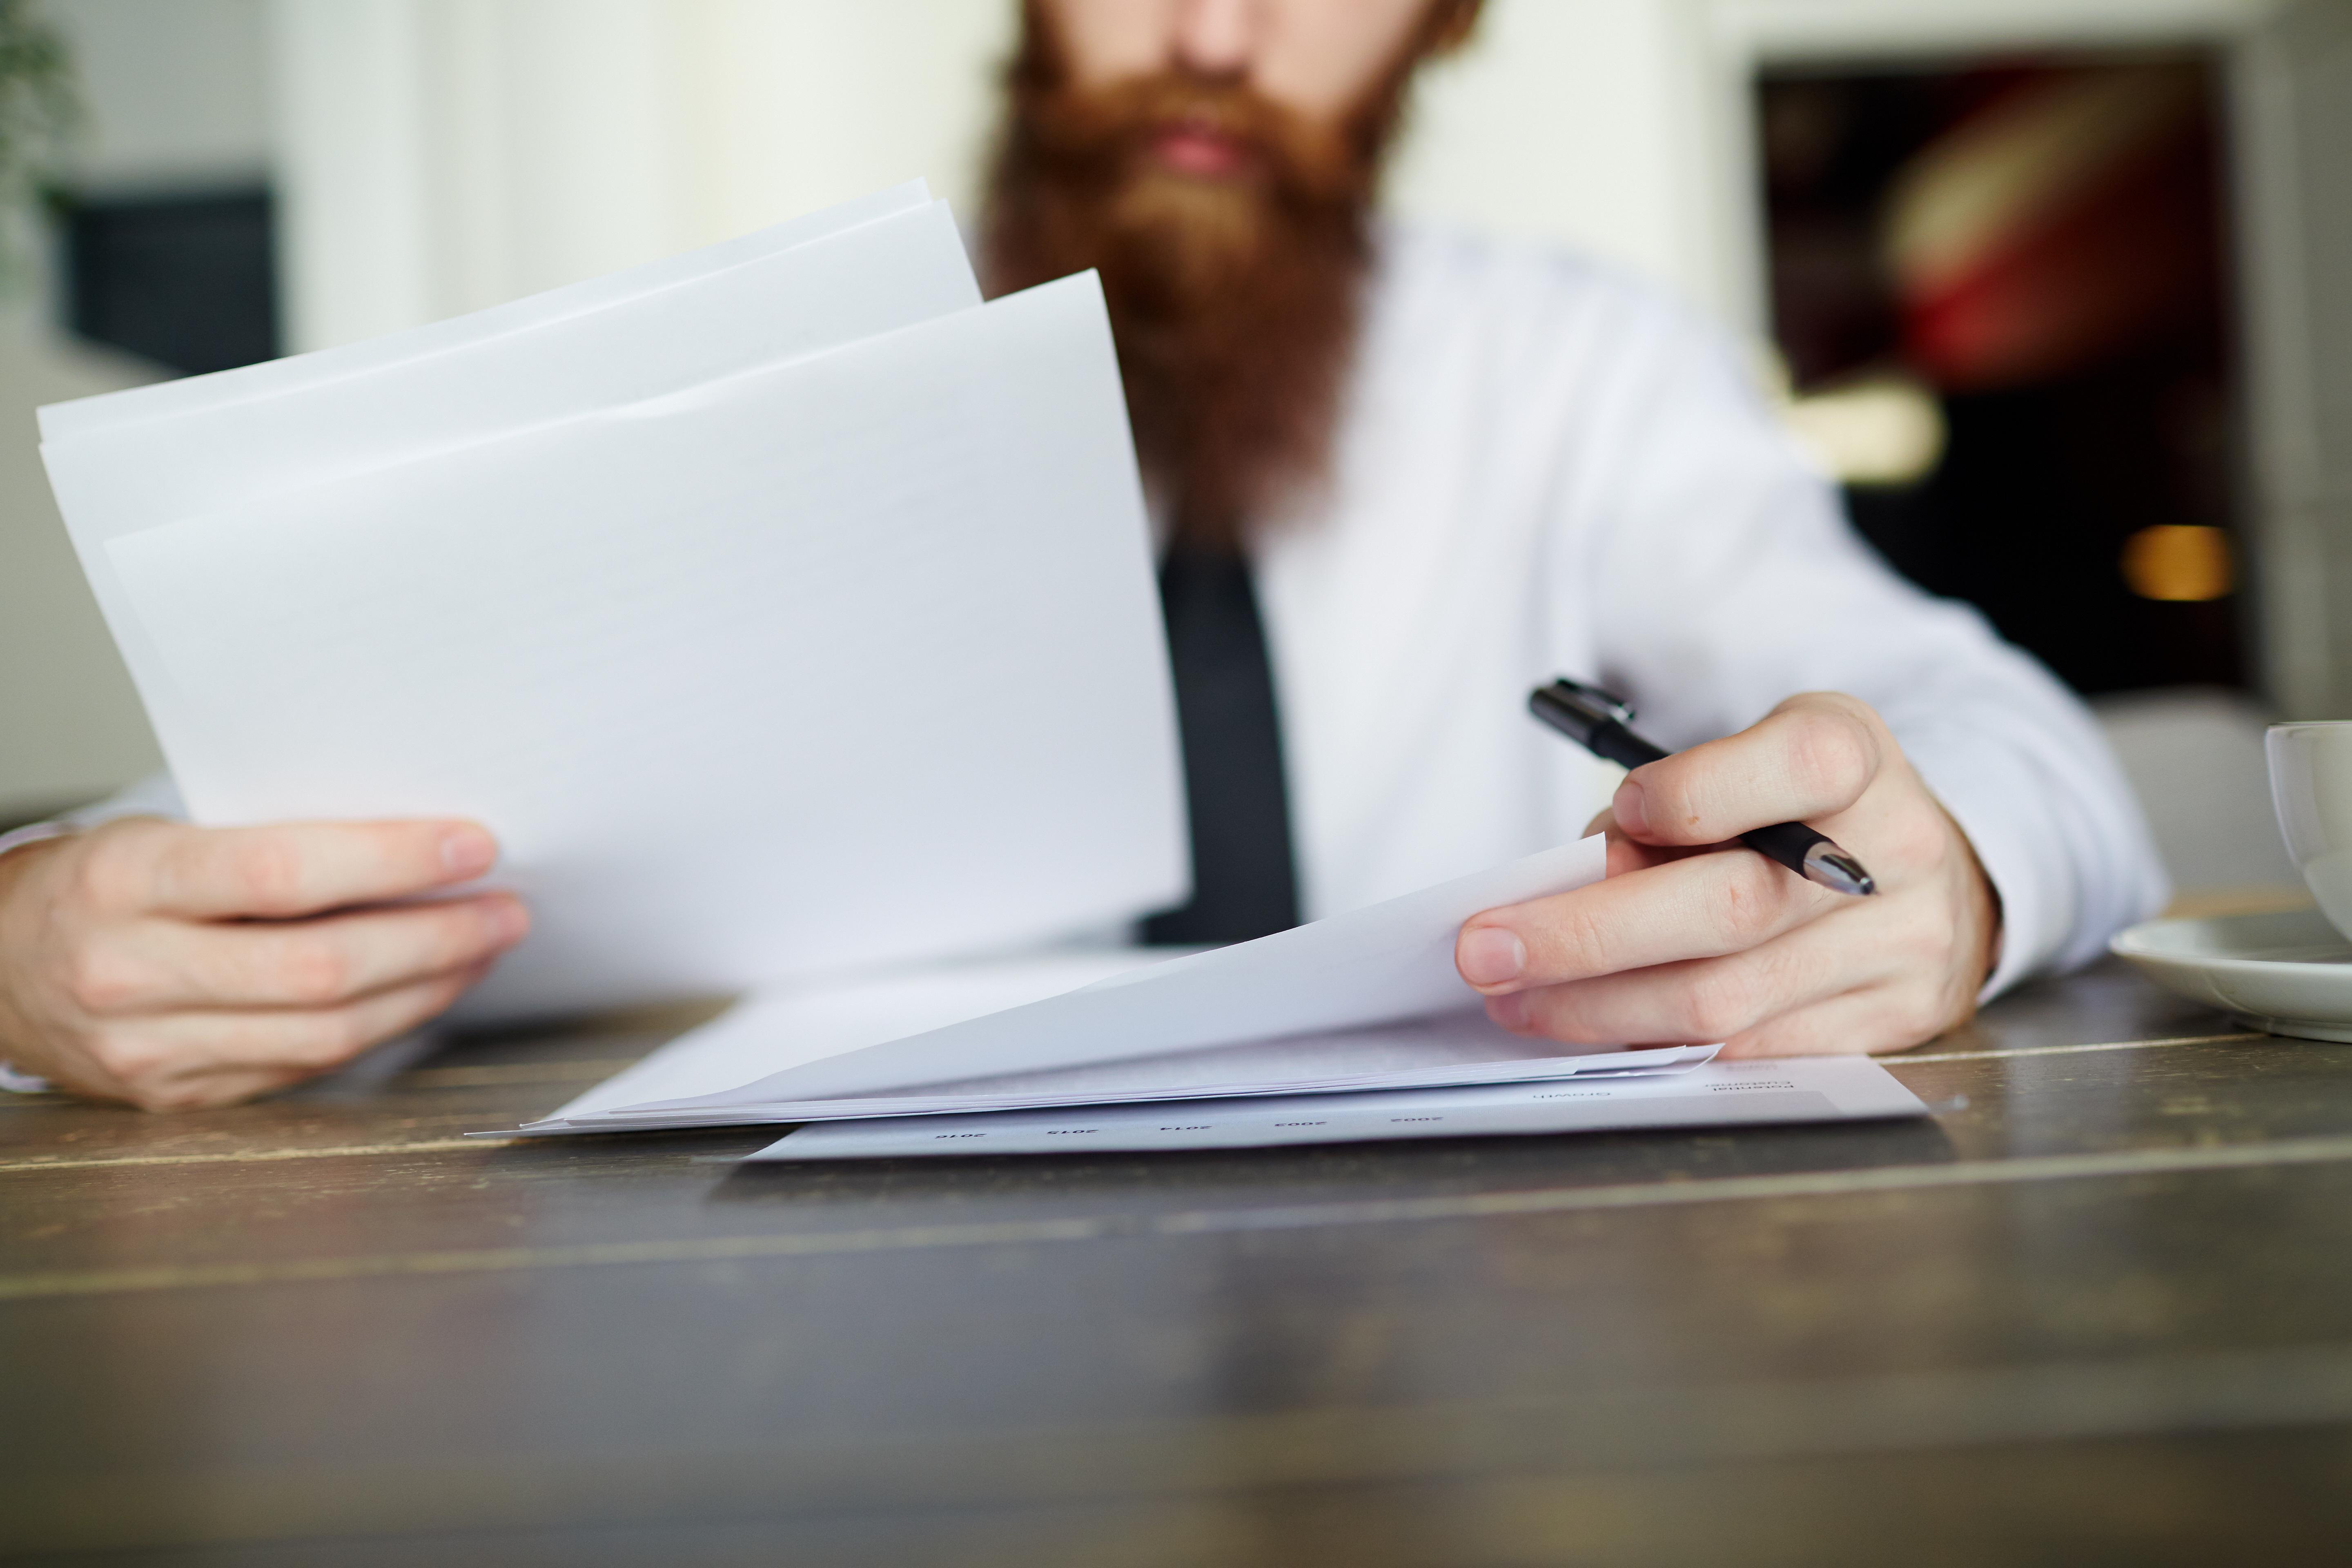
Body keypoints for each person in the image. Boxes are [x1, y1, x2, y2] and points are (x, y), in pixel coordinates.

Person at [0, 0, 2164, 1111]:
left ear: (1444, 23)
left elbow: (1975, 722)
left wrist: (1958, 861)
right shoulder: (742, 380)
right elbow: (270, 823)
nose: (1217, 34)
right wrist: (37, 946)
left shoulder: (1587, 373)